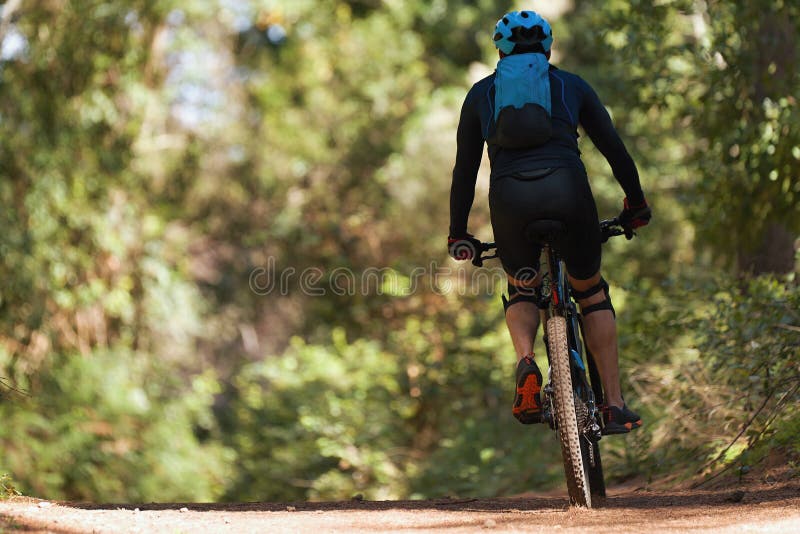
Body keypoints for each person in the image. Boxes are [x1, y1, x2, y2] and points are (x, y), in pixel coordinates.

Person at [447, 10, 651, 435]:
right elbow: (614, 149)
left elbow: (464, 172)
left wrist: (459, 232)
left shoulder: (481, 95)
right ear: (547, 47)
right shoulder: (569, 85)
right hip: (568, 191)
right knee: (590, 291)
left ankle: (526, 360)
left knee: (523, 286)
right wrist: (635, 203)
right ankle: (612, 404)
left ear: (499, 51)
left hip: (509, 202)